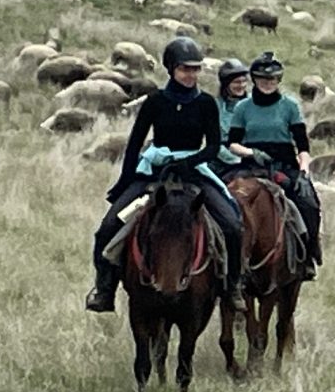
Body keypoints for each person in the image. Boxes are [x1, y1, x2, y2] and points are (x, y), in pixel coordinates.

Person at [84, 36, 242, 312]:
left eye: (195, 69)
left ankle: (231, 288)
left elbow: (213, 147)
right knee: (107, 228)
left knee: (231, 225)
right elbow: (135, 143)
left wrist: (189, 162)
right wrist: (126, 181)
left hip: (193, 172)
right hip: (155, 171)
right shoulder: (155, 101)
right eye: (185, 69)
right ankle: (105, 289)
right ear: (171, 68)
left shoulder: (206, 103)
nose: (190, 74)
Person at [225, 50, 320, 280]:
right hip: (250, 166)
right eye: (263, 79)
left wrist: (304, 171)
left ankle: (308, 256)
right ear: (254, 79)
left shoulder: (290, 106)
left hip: (284, 165)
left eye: (273, 79)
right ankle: (224, 260)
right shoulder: (243, 107)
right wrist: (251, 153)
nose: (268, 83)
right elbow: (232, 143)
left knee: (309, 204)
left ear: (279, 80)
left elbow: (302, 145)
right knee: (224, 199)